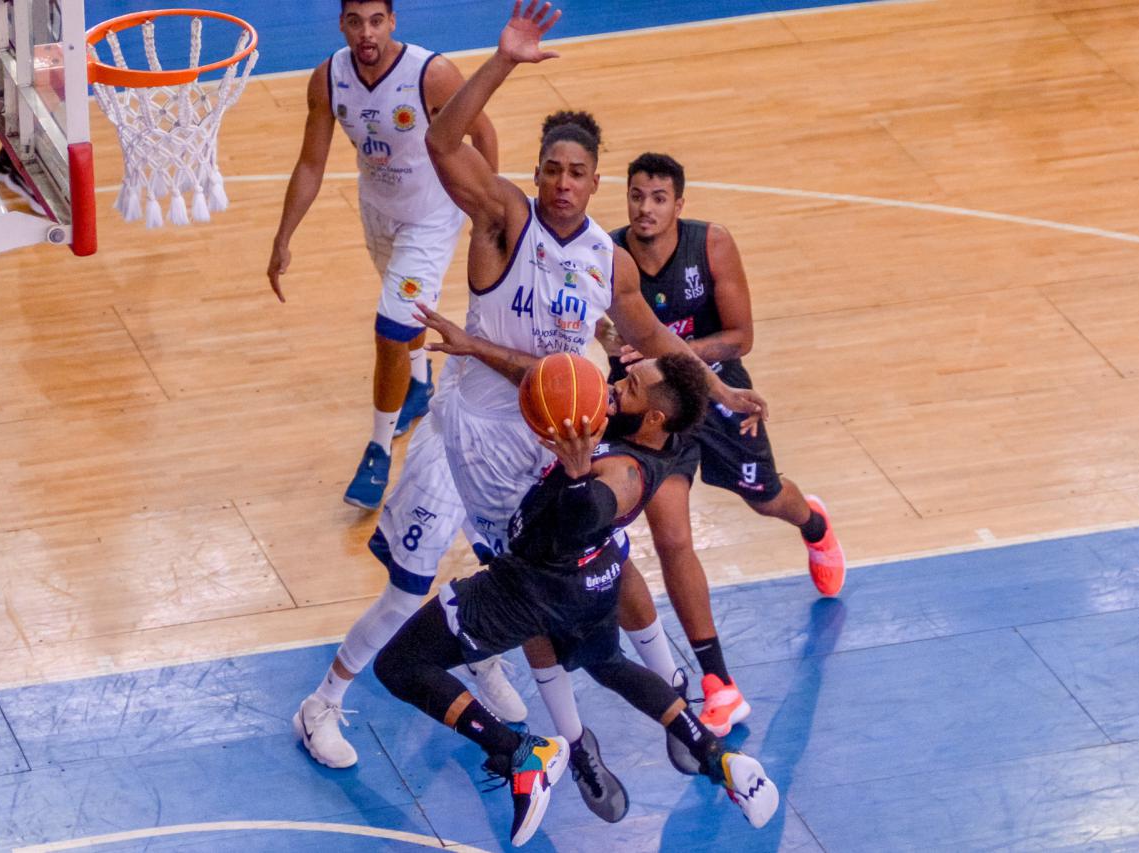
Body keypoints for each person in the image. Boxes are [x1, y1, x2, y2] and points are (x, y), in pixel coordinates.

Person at [291, 1, 769, 816]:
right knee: (410, 589)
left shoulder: (605, 261)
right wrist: (505, 59)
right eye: (550, 167)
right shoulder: (504, 217)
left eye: (575, 172)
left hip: (543, 448)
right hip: (463, 437)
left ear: (593, 182)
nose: (559, 182)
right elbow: (442, 142)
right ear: (539, 171)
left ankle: (630, 715)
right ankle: (323, 704)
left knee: (591, 576)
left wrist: (718, 387)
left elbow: (653, 334)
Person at [375, 350, 778, 847]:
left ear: (654, 416)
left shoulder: (624, 474)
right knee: (610, 664)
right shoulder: (658, 435)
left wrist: (574, 472)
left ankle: (520, 753)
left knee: (400, 666)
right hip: (593, 581)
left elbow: (584, 516)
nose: (614, 387)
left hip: (527, 590)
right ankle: (717, 756)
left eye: (629, 386)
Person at [597, 152, 846, 741]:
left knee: (765, 498)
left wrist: (672, 355)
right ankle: (718, 684)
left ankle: (812, 523)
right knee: (671, 536)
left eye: (659, 198)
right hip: (647, 406)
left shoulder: (711, 245)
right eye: (636, 195)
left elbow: (741, 337)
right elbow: (599, 327)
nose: (646, 207)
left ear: (679, 205)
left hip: (714, 392)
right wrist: (608, 337)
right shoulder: (605, 253)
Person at [267, 0, 499, 510]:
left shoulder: (431, 73)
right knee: (402, 319)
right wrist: (283, 237)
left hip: (433, 214)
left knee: (391, 324)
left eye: (376, 21)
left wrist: (488, 207)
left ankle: (377, 450)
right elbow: (311, 164)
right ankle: (418, 382)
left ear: (392, 21)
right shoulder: (328, 78)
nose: (366, 32)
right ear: (342, 25)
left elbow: (482, 131)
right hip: (378, 209)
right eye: (355, 22)